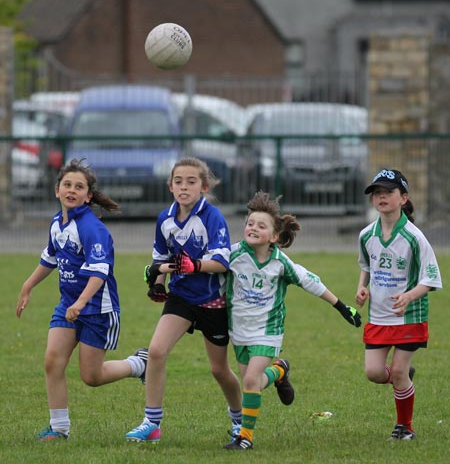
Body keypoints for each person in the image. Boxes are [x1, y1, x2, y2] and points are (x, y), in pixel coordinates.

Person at [16, 159, 148, 441]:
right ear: (57, 190)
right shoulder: (57, 223)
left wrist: (80, 303)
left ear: (88, 195)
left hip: (96, 308)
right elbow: (49, 258)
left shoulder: (92, 228)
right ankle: (59, 428)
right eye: (67, 185)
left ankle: (139, 364)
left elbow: (100, 273)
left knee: (92, 376)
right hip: (69, 305)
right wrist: (28, 286)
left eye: (79, 187)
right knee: (53, 361)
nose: (72, 190)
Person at [223, 191, 362, 451]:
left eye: (261, 226)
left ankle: (245, 438)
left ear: (274, 236)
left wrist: (341, 307)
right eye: (250, 223)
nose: (253, 228)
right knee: (254, 383)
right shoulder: (231, 255)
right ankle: (279, 371)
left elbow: (311, 281)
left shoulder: (280, 263)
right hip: (239, 330)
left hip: (268, 331)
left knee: (250, 382)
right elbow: (211, 275)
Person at [125, 157, 242, 444]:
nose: (184, 187)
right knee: (156, 351)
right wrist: (158, 285)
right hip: (181, 298)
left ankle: (240, 421)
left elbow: (223, 261)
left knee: (219, 369)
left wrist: (194, 266)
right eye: (178, 181)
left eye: (191, 182)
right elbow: (160, 260)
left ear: (204, 186)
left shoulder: (212, 217)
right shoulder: (165, 219)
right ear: (170, 186)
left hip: (213, 301)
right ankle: (152, 423)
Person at [355, 169, 442, 441]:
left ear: (403, 198)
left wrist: (409, 296)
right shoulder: (367, 235)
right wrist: (362, 286)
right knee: (373, 372)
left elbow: (431, 278)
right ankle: (401, 377)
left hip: (409, 316)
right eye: (377, 193)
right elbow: (366, 264)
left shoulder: (415, 237)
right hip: (379, 316)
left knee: (400, 372)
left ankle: (405, 427)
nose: (381, 196)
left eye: (388, 192)